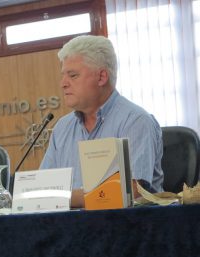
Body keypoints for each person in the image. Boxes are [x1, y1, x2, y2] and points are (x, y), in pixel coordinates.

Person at [40, 35, 163, 206]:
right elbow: (43, 189)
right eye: (63, 76)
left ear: (101, 77)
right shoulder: (62, 127)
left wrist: (63, 197)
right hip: (69, 228)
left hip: (127, 227)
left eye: (73, 75)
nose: (63, 83)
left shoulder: (135, 121)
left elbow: (132, 192)